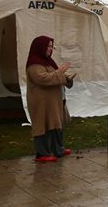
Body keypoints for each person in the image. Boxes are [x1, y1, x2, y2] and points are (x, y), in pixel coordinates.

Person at [25, 35, 76, 163]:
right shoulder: (34, 64)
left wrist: (67, 79)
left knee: (55, 125)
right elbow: (43, 79)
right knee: (43, 126)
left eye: (51, 46)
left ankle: (58, 150)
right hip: (41, 103)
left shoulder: (49, 62)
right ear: (40, 46)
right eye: (48, 46)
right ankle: (42, 154)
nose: (50, 49)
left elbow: (55, 76)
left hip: (53, 102)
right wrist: (60, 72)